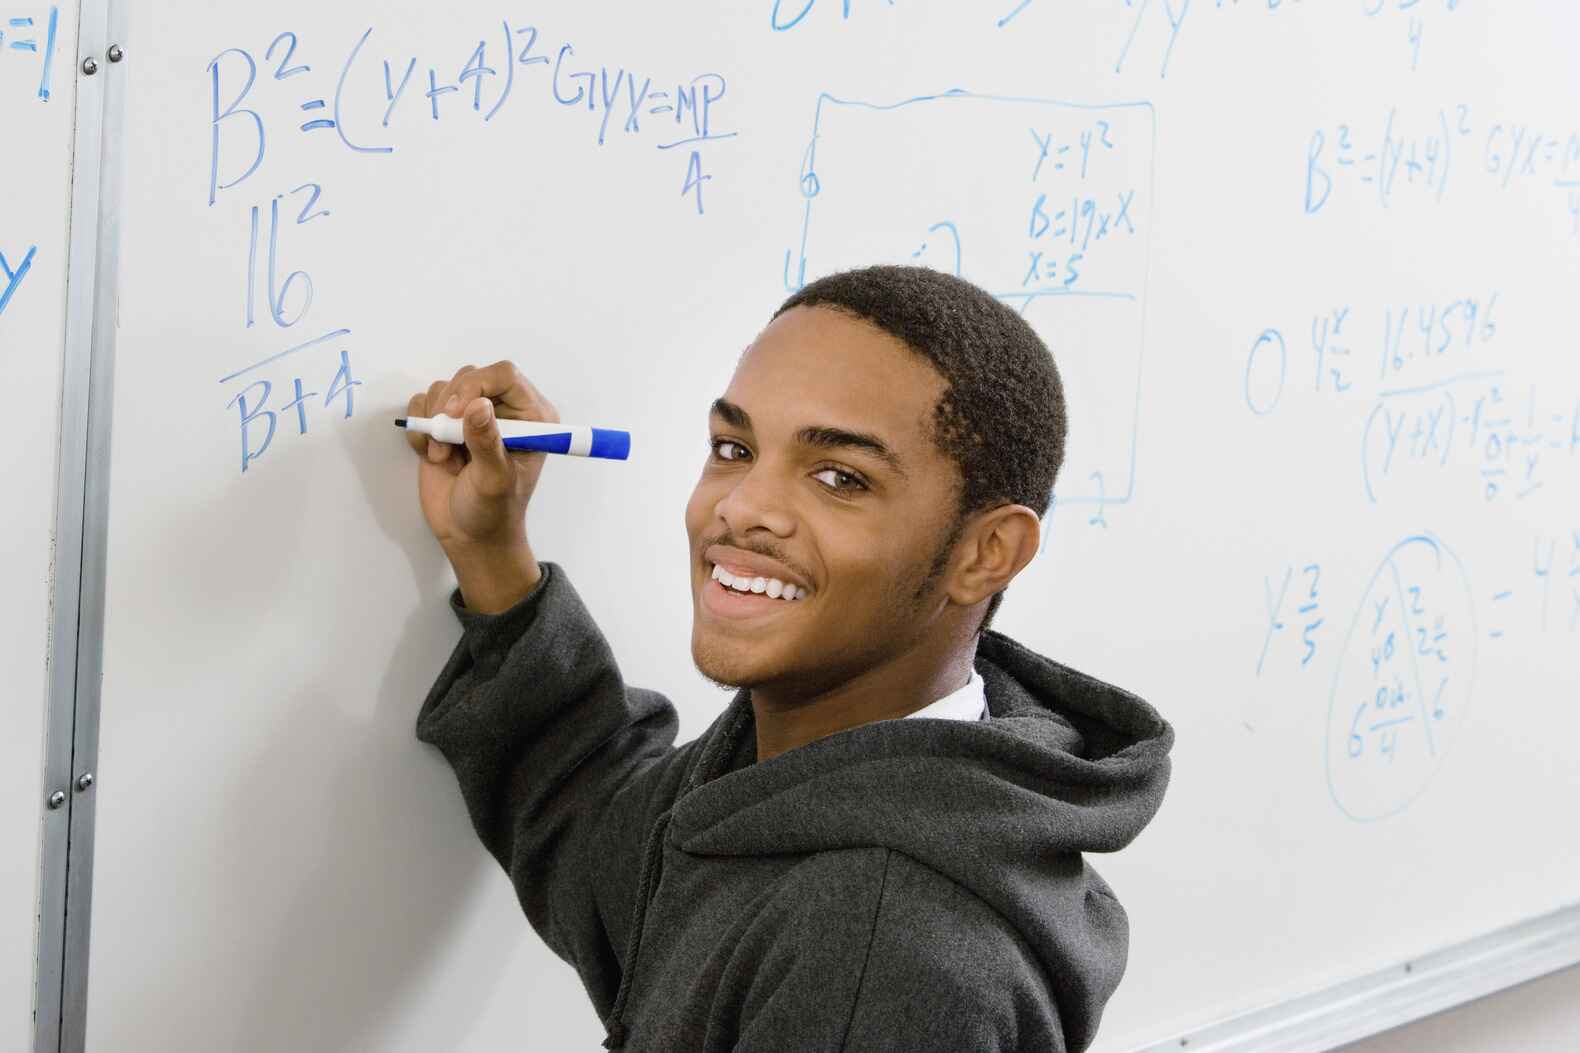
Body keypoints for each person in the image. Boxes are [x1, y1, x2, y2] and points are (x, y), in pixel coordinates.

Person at [407, 265, 1173, 1052]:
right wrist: (492, 555)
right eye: (734, 447)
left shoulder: (874, 958)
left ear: (987, 552)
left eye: (841, 477)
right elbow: (600, 840)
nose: (741, 508)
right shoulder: (811, 780)